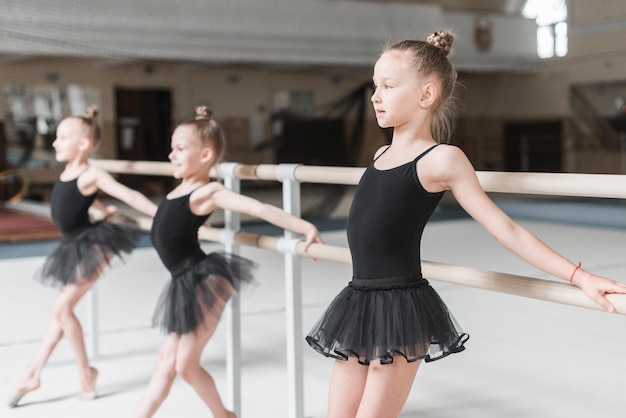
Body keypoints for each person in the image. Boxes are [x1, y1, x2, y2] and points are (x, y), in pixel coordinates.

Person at [305, 30, 626, 418]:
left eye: (388, 86)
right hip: (358, 301)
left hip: (400, 307)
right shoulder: (380, 152)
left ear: (426, 95)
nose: (375, 96)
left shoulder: (442, 159)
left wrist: (579, 276)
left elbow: (507, 230)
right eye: (375, 85)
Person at [133, 106, 322, 418]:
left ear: (206, 155)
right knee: (165, 364)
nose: (171, 155)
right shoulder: (180, 188)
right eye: (172, 148)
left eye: (180, 149)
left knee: (184, 365)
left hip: (204, 280)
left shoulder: (207, 191)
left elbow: (259, 208)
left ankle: (224, 415)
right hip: (183, 281)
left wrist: (305, 227)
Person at [7, 106, 158, 408]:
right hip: (75, 243)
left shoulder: (92, 173)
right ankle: (63, 373)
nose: (55, 143)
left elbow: (129, 196)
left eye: (63, 138)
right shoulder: (69, 171)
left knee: (61, 308)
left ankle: (61, 373)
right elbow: (84, 198)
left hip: (94, 244)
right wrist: (101, 209)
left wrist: (163, 216)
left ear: (84, 144)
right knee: (59, 313)